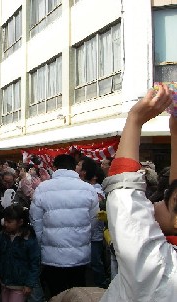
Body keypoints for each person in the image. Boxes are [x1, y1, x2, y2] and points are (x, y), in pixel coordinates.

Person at [99, 84, 177, 301]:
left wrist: (135, 120)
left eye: (164, 201)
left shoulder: (160, 270)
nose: (154, 204)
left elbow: (125, 200)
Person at [30, 154, 99, 297]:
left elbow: (36, 220)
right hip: (80, 252)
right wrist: (84, 236)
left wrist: (43, 240)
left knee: (56, 294)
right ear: (74, 168)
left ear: (55, 167)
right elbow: (93, 219)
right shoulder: (88, 189)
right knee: (78, 294)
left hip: (51, 254)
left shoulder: (43, 188)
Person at [0, 204, 41, 302]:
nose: (5, 224)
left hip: (20, 284)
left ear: (20, 222)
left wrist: (29, 284)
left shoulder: (29, 240)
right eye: (5, 220)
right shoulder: (2, 236)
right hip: (4, 281)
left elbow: (34, 263)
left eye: (9, 222)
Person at [76, 156, 107, 288]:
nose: (76, 167)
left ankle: (102, 288)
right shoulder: (84, 188)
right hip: (85, 235)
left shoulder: (96, 191)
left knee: (95, 264)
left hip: (93, 236)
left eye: (78, 165)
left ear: (85, 172)